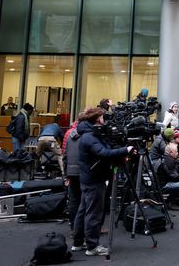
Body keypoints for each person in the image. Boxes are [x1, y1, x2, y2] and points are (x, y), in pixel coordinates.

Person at [71, 107, 135, 256]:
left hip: (89, 177)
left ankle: (78, 242)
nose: (104, 120)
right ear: (97, 119)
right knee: (93, 213)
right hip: (94, 179)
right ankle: (92, 246)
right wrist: (126, 150)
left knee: (83, 210)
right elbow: (104, 153)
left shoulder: (88, 134)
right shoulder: (90, 136)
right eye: (102, 117)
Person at [62, 111, 84, 229]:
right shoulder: (86, 136)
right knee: (83, 200)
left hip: (71, 170)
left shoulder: (69, 133)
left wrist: (66, 174)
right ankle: (81, 229)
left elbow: (64, 153)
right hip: (83, 171)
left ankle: (73, 225)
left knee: (74, 199)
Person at [156, 143, 179, 211]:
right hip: (162, 186)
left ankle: (169, 202)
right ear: (171, 152)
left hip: (161, 182)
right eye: (176, 151)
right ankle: (171, 203)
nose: (177, 153)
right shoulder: (169, 162)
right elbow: (175, 176)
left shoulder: (165, 158)